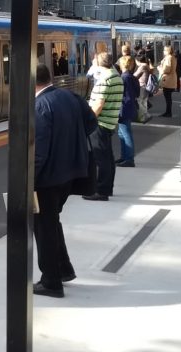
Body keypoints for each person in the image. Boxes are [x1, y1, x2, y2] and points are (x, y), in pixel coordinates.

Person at [32, 64, 98, 298]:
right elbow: (91, 123)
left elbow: (37, 153)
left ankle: (51, 281)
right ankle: (63, 268)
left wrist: (26, 182)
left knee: (43, 227)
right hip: (71, 172)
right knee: (52, 221)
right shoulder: (70, 96)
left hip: (48, 178)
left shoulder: (39, 106)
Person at [83, 52, 123, 201]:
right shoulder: (116, 76)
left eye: (94, 61)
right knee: (108, 158)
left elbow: (98, 104)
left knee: (101, 159)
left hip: (100, 123)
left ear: (99, 64)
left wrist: (89, 120)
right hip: (109, 122)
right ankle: (107, 188)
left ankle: (101, 191)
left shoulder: (105, 79)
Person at [115, 56, 141, 167]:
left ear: (123, 64)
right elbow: (137, 93)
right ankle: (124, 157)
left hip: (124, 108)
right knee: (122, 133)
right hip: (129, 108)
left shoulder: (124, 78)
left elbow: (126, 95)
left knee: (125, 133)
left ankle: (129, 159)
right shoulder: (132, 77)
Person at [158, 45, 178, 117]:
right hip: (170, 79)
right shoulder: (171, 57)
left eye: (165, 50)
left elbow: (167, 69)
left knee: (168, 97)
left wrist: (160, 69)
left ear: (168, 51)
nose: (163, 51)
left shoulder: (169, 58)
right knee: (168, 97)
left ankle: (168, 112)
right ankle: (168, 112)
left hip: (168, 80)